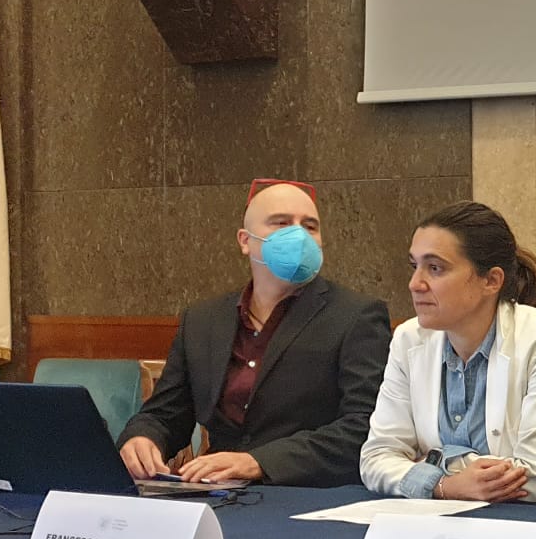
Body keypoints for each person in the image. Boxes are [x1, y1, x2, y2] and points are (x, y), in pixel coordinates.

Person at [118, 179, 390, 487]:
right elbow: (166, 413)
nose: (299, 236)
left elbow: (364, 426)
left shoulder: (356, 315)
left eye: (310, 226)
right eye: (281, 223)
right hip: (214, 490)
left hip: (306, 492)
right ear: (245, 240)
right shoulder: (203, 319)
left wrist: (257, 462)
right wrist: (143, 438)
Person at [359, 202, 536, 507]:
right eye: (414, 266)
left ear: (491, 281)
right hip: (450, 524)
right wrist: (446, 485)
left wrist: (428, 463)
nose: (415, 284)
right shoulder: (408, 339)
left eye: (435, 268)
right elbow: (376, 458)